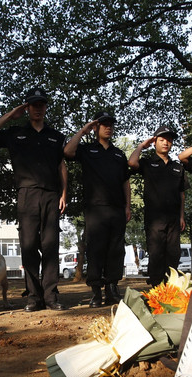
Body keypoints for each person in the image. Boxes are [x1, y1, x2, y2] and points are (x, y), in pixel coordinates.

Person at [0, 88, 68, 312]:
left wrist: (64, 194)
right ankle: (34, 297)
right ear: (27, 107)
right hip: (26, 194)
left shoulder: (56, 136)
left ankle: (51, 296)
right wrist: (12, 114)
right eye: (33, 104)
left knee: (50, 246)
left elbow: (61, 165)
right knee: (28, 246)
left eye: (41, 104)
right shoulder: (15, 133)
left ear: (46, 107)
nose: (38, 108)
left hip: (51, 194)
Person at [64, 111, 131, 307]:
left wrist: (127, 206)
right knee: (96, 250)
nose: (108, 127)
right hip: (95, 209)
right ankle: (96, 292)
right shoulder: (86, 149)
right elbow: (67, 152)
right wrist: (83, 130)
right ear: (96, 127)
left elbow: (126, 181)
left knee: (115, 251)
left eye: (111, 124)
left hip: (117, 209)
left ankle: (112, 288)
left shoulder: (119, 154)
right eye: (104, 124)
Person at [128, 125, 189, 287]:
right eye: (162, 140)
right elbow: (132, 162)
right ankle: (156, 288)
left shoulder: (178, 167)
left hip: (174, 218)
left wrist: (182, 216)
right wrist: (142, 145)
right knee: (156, 254)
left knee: (173, 254)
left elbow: (182, 193)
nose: (166, 143)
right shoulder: (148, 163)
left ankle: (171, 287)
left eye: (169, 140)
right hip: (155, 218)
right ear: (155, 142)